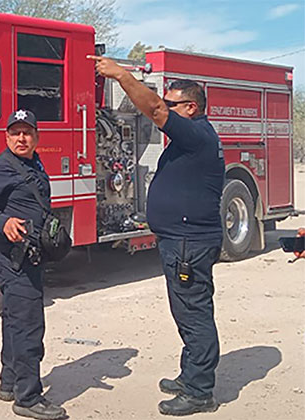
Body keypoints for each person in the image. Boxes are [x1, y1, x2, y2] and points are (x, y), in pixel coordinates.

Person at [89, 55, 225, 416]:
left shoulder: (196, 133)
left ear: (191, 108)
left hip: (188, 243)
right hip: (182, 239)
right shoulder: (193, 138)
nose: (165, 106)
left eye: (172, 103)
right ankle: (191, 375)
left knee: (194, 313)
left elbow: (153, 110)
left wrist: (121, 75)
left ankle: (199, 392)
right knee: (186, 311)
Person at [0, 109, 67, 420]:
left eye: (27, 132)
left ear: (37, 138)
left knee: (14, 318)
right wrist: (4, 221)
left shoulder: (33, 163)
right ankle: (28, 398)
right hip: (13, 259)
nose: (21, 138)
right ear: (6, 137)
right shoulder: (0, 167)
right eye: (15, 133)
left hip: (30, 256)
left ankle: (10, 382)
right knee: (29, 325)